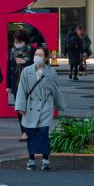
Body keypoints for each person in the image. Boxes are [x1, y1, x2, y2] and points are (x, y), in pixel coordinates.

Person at [15, 44, 65, 172]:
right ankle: (31, 159)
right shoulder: (26, 71)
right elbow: (22, 90)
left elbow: (56, 90)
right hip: (30, 108)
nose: (37, 57)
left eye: (40, 55)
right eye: (36, 54)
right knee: (31, 134)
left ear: (46, 58)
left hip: (45, 108)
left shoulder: (51, 73)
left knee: (43, 134)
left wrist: (60, 106)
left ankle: (45, 159)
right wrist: (20, 107)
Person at [6, 28, 32, 142]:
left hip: (30, 85)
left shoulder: (31, 51)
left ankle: (32, 130)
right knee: (20, 109)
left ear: (25, 41)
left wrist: (25, 62)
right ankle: (24, 133)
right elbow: (8, 69)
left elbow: (38, 65)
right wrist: (8, 86)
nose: (17, 44)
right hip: (17, 85)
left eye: (19, 42)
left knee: (30, 108)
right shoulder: (12, 52)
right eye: (16, 42)